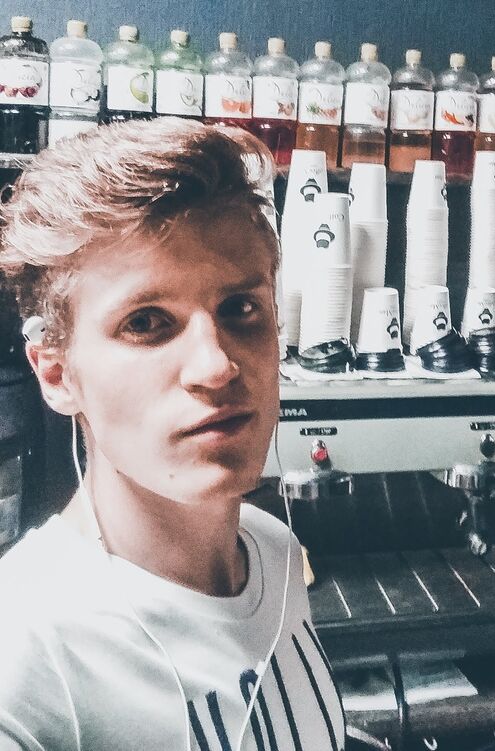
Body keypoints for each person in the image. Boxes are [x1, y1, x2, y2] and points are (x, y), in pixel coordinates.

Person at [0, 118, 345, 750]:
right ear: (57, 373)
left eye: (241, 308)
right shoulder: (25, 649)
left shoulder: (273, 553)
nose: (217, 366)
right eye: (146, 322)